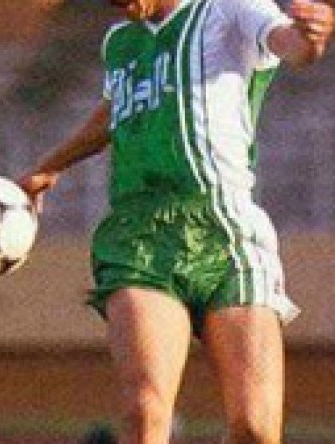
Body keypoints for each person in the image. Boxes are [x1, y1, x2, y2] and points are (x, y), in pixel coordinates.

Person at [18, 0, 334, 443]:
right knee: (145, 411)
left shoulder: (227, 9)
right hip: (140, 236)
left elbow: (290, 45)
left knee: (256, 429)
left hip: (228, 230)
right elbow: (115, 110)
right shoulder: (120, 42)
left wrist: (311, 37)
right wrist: (50, 166)